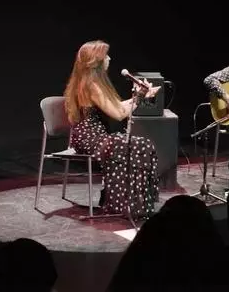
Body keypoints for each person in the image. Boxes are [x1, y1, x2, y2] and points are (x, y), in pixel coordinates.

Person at [64, 40, 161, 219]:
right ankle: (122, 203)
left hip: (95, 136)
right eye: (106, 55)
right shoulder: (91, 85)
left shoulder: (90, 82)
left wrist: (138, 96)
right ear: (97, 61)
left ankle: (127, 202)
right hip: (90, 139)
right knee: (138, 145)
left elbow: (116, 106)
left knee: (140, 144)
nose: (109, 58)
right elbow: (118, 114)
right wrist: (139, 96)